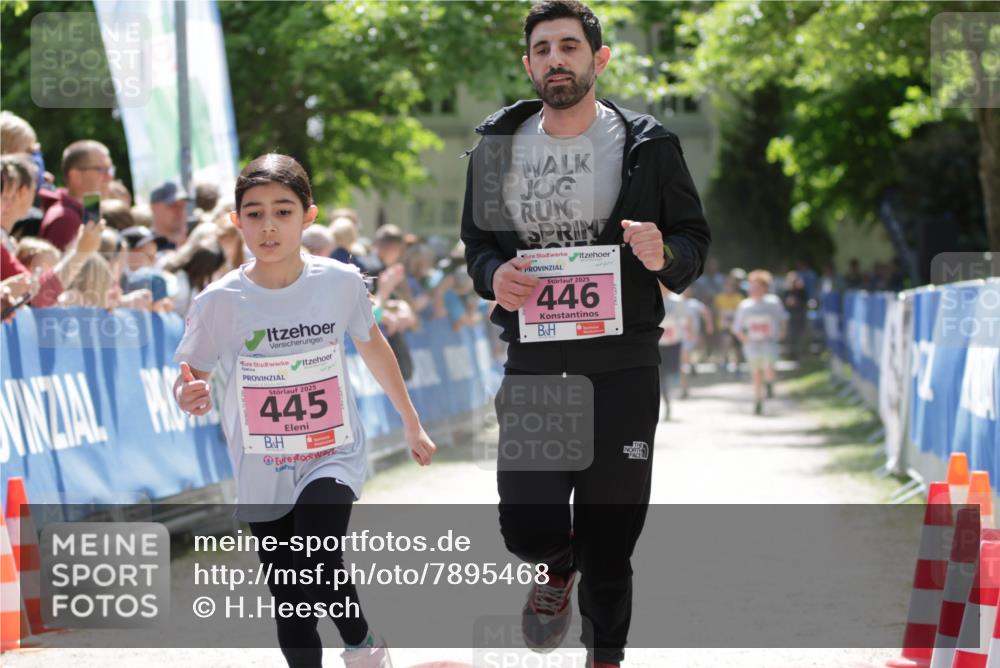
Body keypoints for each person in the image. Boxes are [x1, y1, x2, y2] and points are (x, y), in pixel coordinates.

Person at [460, 3, 711, 666]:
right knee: (526, 528)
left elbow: (693, 242)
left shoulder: (648, 144)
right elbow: (478, 244)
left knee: (613, 542)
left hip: (623, 367)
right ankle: (555, 561)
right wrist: (494, 276)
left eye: (569, 47)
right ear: (528, 65)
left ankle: (606, 656)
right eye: (542, 50)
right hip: (538, 365)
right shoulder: (497, 145)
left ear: (599, 60)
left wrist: (665, 256)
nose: (555, 60)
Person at [173, 153, 436, 668]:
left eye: (283, 211)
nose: (268, 225)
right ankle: (360, 641)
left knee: (317, 550)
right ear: (236, 221)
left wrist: (411, 421)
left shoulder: (339, 282)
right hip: (262, 464)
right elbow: (190, 377)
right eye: (254, 213)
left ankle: (360, 644)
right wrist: (188, 395)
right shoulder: (218, 302)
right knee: (292, 603)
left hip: (329, 452)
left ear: (308, 215)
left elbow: (374, 346)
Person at [38, 139, 114, 250]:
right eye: (102, 170)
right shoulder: (65, 219)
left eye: (110, 170)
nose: (109, 177)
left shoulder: (86, 211)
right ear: (75, 176)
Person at [732, 269, 788, 415]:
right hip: (752, 344)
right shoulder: (745, 306)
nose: (753, 290)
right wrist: (744, 339)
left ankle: (769, 383)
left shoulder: (773, 302)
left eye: (757, 287)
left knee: (769, 368)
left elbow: (782, 318)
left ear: (765, 288)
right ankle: (758, 401)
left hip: (769, 342)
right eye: (751, 287)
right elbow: (737, 327)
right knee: (756, 373)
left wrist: (782, 332)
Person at [657, 285, 689, 421]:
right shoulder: (651, 298)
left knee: (672, 373)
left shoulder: (678, 301)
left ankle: (677, 391)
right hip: (657, 344)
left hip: (674, 344)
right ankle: (667, 403)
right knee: (661, 375)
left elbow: (685, 321)